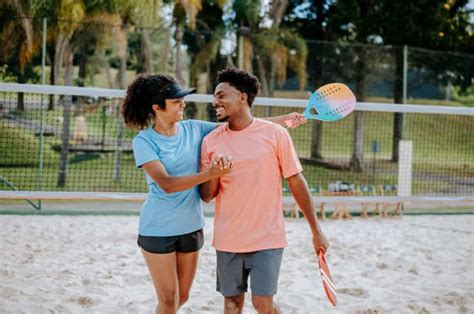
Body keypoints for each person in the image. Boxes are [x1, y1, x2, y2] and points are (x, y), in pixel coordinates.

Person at [121, 73, 307, 314]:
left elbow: (242, 124)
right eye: (176, 101)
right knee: (168, 301)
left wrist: (285, 120)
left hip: (190, 226)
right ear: (157, 107)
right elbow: (166, 184)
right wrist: (210, 174)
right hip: (157, 228)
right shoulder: (144, 141)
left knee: (183, 297)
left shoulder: (193, 128)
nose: (183, 104)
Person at [200, 67, 329, 314]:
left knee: (263, 304)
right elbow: (207, 196)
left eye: (221, 95)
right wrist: (215, 174)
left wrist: (316, 230)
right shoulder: (211, 141)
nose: (215, 101)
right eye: (214, 96)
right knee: (231, 304)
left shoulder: (276, 134)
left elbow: (296, 182)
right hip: (228, 240)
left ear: (242, 97)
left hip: (267, 238)